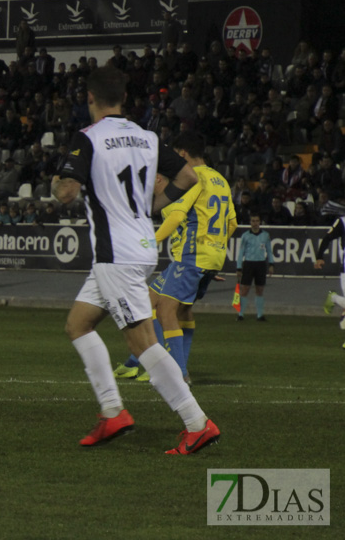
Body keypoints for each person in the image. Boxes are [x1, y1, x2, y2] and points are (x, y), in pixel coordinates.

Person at [51, 66, 219, 455]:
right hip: (137, 247)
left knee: (142, 342)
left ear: (89, 98)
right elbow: (189, 178)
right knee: (78, 324)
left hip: (117, 255)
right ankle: (112, 410)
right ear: (123, 99)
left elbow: (66, 192)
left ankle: (196, 422)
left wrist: (57, 181)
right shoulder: (147, 137)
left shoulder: (88, 138)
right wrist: (149, 206)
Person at [115, 131, 236, 385]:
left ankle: (177, 373)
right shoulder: (220, 179)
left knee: (167, 310)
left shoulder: (195, 178)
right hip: (210, 255)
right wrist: (214, 253)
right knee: (157, 302)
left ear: (182, 154)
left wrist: (149, 243)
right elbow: (232, 223)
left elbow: (176, 216)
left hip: (193, 257)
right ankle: (136, 362)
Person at [236, 215, 274, 322]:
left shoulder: (265, 235)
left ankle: (260, 315)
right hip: (248, 264)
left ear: (260, 222)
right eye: (253, 221)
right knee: (245, 289)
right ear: (250, 222)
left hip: (261, 264)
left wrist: (271, 264)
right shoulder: (245, 236)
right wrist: (239, 267)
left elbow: (269, 251)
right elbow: (241, 253)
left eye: (257, 221)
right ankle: (241, 314)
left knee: (260, 290)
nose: (255, 223)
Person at [315, 214, 345, 339]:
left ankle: (334, 298)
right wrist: (319, 257)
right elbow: (327, 238)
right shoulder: (343, 222)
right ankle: (333, 298)